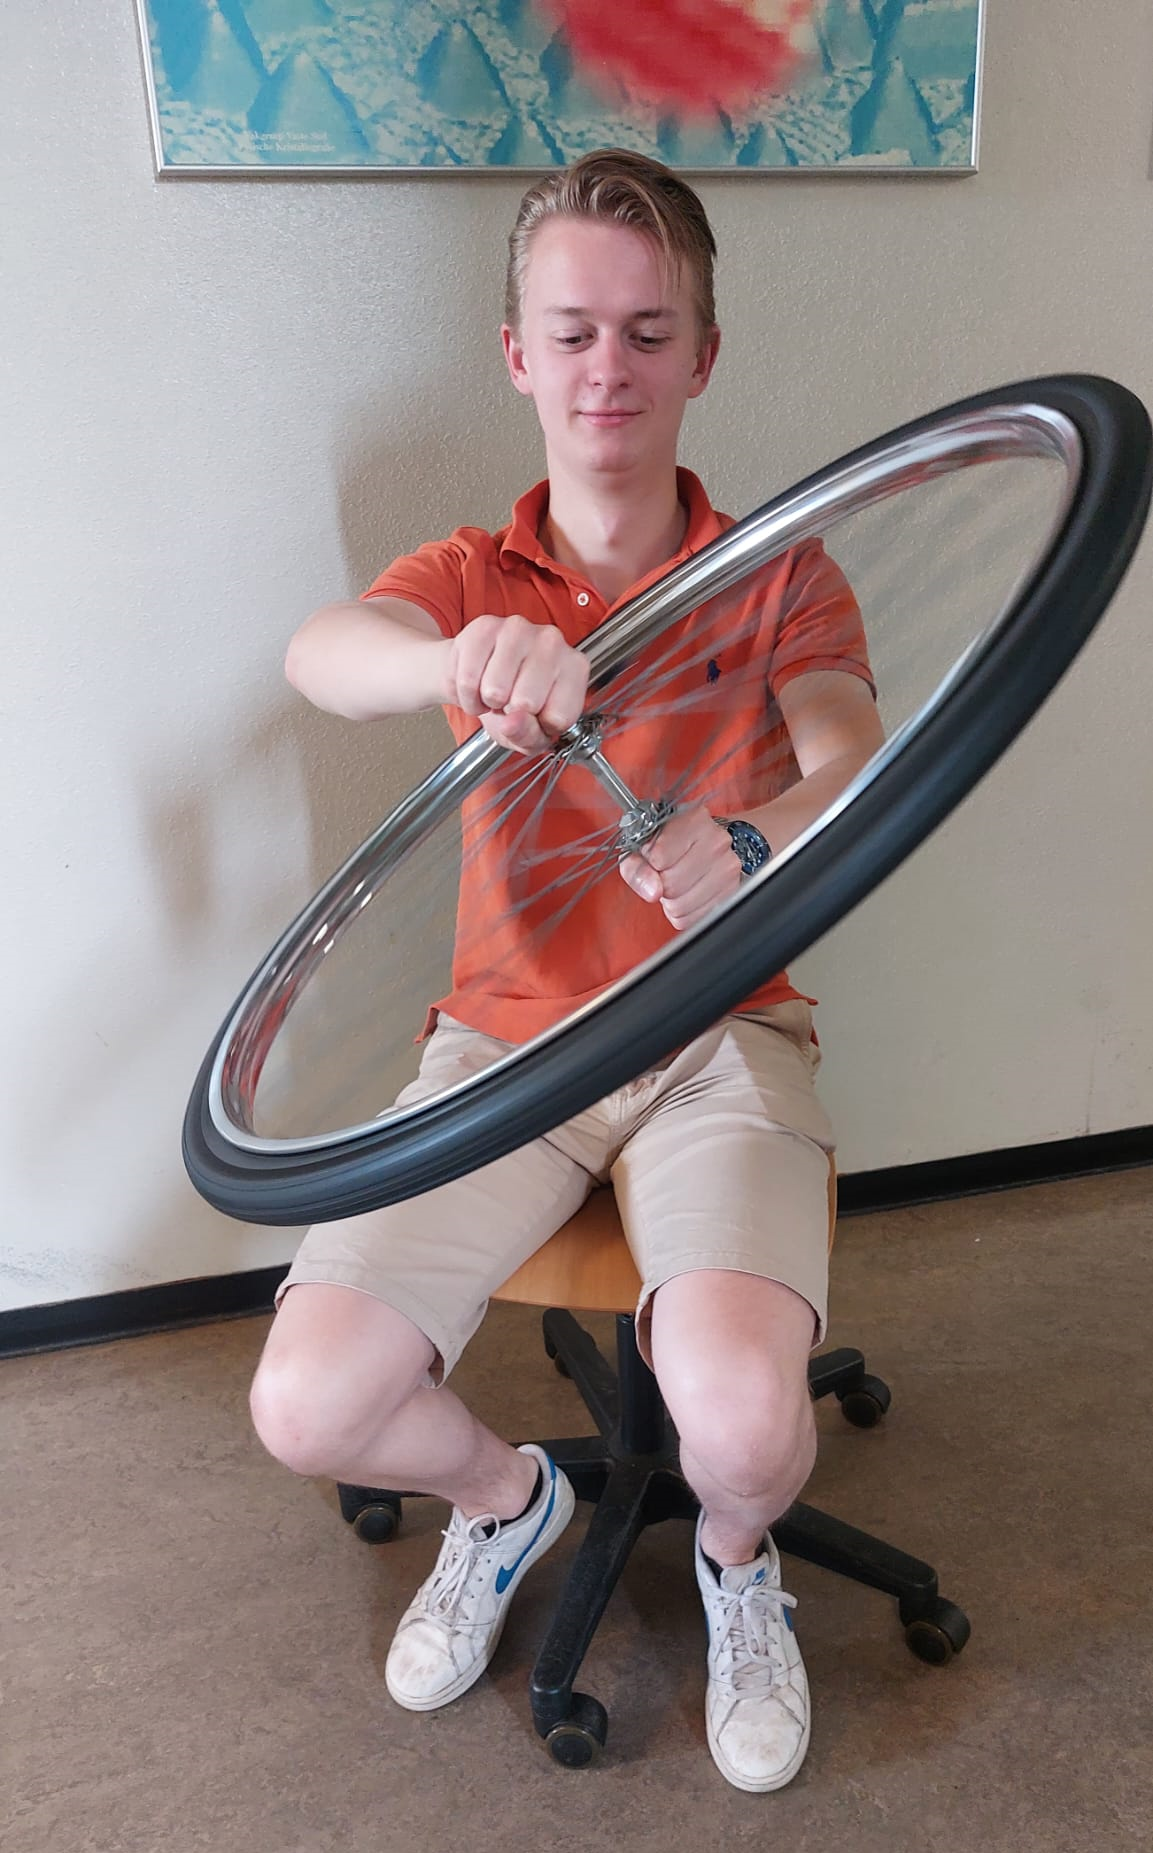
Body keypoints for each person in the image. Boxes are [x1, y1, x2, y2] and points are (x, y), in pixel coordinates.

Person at [250, 149, 883, 1793]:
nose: (612, 367)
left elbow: (853, 756)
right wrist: (449, 661)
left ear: (702, 356)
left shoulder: (782, 571)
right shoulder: (470, 573)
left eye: (650, 332)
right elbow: (323, 656)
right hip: (502, 1052)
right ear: (520, 355)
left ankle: (740, 1565)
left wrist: (755, 840)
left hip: (718, 1040)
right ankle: (503, 1501)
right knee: (309, 1407)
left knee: (742, 1429)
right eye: (576, 332)